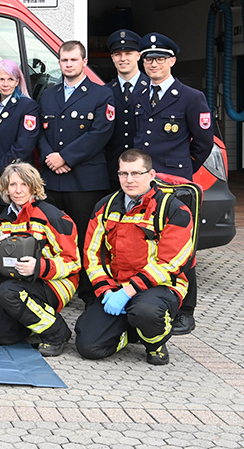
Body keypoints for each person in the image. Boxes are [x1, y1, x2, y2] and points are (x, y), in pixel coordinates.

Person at [75, 149, 194, 365]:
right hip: (116, 287)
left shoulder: (173, 209)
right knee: (89, 346)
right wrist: (107, 291)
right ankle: (133, 332)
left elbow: (169, 263)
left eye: (136, 173)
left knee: (146, 312)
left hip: (159, 287)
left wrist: (128, 292)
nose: (129, 180)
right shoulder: (105, 206)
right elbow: (92, 256)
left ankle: (155, 344)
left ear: (151, 175)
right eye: (123, 174)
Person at [132, 32, 214, 336]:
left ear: (172, 61)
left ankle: (186, 310)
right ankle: (152, 300)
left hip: (176, 185)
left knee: (181, 248)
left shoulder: (192, 97)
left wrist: (180, 172)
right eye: (149, 59)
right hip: (144, 185)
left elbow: (203, 143)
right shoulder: (139, 97)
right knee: (147, 244)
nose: (154, 63)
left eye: (160, 58)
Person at [37, 40, 114, 303]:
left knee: (85, 240)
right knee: (54, 238)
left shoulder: (101, 94)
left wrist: (65, 157)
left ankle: (89, 293)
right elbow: (40, 132)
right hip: (53, 181)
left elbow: (100, 134)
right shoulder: (48, 94)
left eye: (73, 60)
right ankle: (56, 290)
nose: (68, 64)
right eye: (64, 60)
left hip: (84, 181)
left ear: (84, 62)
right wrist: (50, 157)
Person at [0, 162, 79, 357]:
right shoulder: (5, 219)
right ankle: (34, 324)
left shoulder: (51, 215)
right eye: (12, 185)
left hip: (55, 281)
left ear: (34, 186)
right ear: (5, 189)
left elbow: (73, 261)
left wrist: (38, 267)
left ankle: (57, 333)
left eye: (24, 184)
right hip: (21, 283)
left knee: (7, 293)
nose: (18, 190)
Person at [0, 60, 40, 226]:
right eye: (1, 79)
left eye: (11, 79)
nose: (5, 84)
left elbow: (24, 145)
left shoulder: (27, 106)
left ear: (18, 81)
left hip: (12, 180)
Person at [104, 30, 148, 191]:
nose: (123, 58)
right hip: (113, 171)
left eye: (128, 53)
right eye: (118, 54)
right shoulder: (104, 92)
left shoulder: (153, 88)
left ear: (138, 56)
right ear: (112, 58)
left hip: (144, 172)